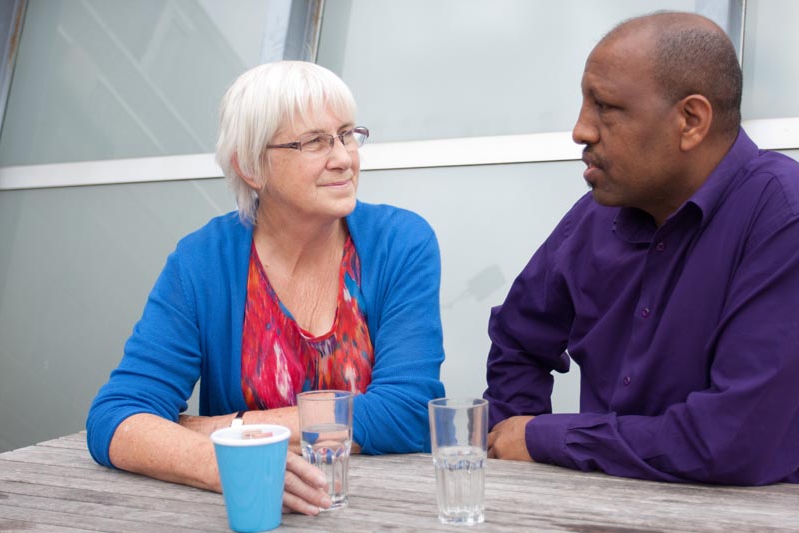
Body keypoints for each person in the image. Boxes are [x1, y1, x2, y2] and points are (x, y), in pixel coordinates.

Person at [87, 61, 446, 513]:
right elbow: (115, 417)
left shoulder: (400, 242)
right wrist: (219, 462)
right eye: (314, 142)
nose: (343, 157)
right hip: (254, 510)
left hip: (386, 510)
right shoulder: (202, 262)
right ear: (252, 167)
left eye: (347, 134)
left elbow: (409, 411)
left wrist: (224, 428)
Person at [484, 11, 799, 486]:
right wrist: (521, 468)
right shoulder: (597, 216)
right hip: (597, 510)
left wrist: (545, 438)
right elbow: (518, 340)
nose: (581, 131)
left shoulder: (782, 216)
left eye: (606, 108)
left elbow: (729, 440)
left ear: (691, 120)